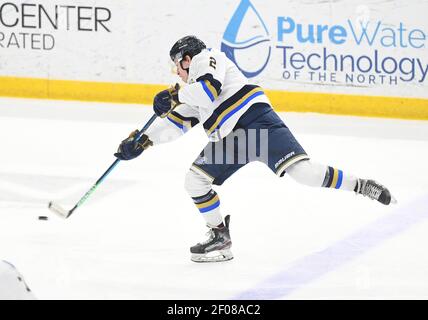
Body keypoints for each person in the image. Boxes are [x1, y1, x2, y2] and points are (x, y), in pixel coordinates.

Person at [114, 35, 395, 263]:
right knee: (195, 180)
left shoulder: (208, 58)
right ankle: (219, 237)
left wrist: (173, 94)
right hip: (234, 139)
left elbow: (208, 89)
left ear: (187, 58)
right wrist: (142, 140)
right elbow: (176, 124)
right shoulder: (191, 92)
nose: (177, 72)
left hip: (257, 121)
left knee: (304, 174)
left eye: (177, 65)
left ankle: (360, 185)